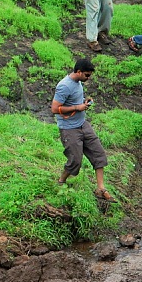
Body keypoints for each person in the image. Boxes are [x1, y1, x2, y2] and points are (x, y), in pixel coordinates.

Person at [51, 58, 117, 203]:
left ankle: (101, 188)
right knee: (75, 160)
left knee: (98, 154)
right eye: (87, 75)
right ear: (79, 72)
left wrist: (84, 103)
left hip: (83, 124)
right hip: (69, 129)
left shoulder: (78, 82)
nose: (89, 78)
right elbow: (55, 109)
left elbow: (74, 101)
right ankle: (61, 181)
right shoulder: (64, 86)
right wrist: (77, 108)